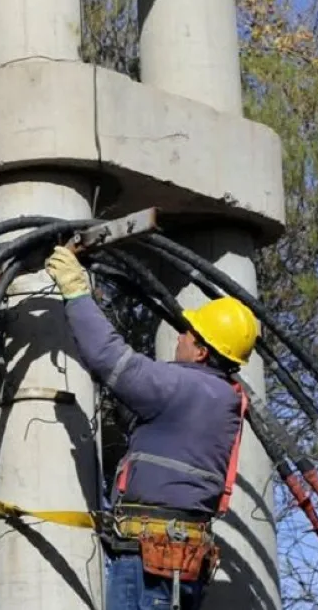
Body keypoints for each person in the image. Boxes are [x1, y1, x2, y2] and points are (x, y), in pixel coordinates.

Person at [44, 244, 258, 610]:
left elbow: (109, 358)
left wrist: (77, 293)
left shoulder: (182, 385)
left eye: (188, 333)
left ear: (202, 351)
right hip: (175, 562)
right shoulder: (222, 397)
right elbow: (164, 432)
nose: (180, 337)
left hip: (150, 563)